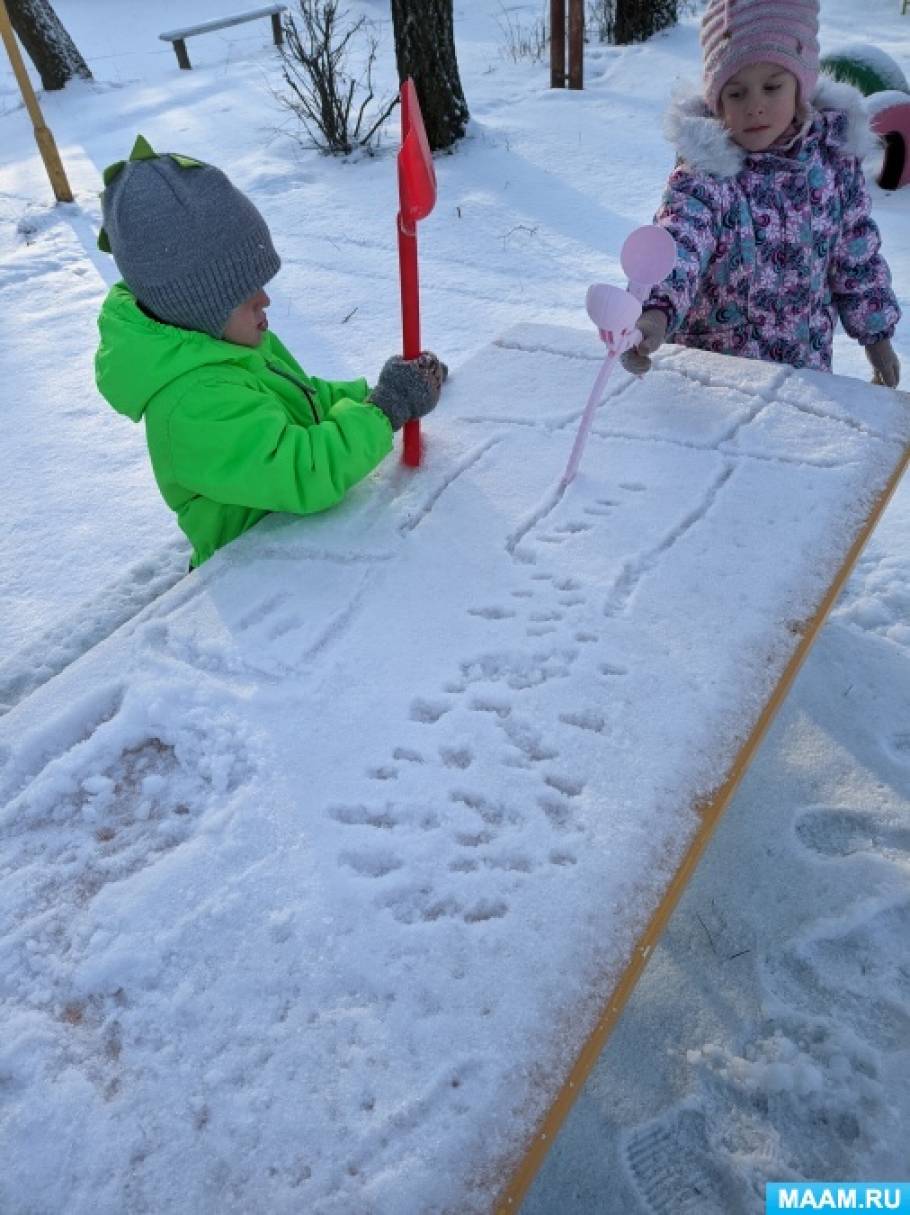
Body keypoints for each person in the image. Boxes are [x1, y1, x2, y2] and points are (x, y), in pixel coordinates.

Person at [95, 135, 446, 569]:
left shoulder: (224, 341)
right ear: (196, 305)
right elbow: (303, 470)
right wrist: (387, 407)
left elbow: (307, 399)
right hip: (253, 579)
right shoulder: (192, 405)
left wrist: (383, 391)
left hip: (297, 548)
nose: (265, 300)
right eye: (245, 293)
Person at [621, 0, 901, 388]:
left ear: (801, 86)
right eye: (736, 94)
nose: (755, 106)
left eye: (772, 87)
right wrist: (654, 312)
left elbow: (856, 259)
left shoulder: (833, 166)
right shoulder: (707, 177)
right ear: (716, 100)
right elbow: (678, 243)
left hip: (803, 383)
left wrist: (878, 338)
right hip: (714, 387)